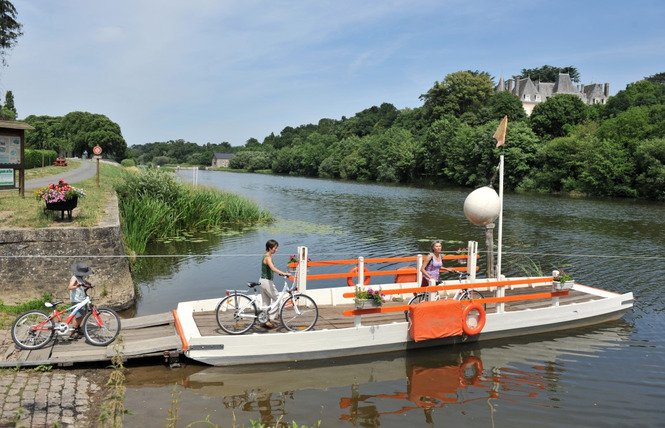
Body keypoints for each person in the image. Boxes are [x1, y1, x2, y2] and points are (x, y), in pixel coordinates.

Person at [260, 240, 289, 329]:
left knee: (266, 303)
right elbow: (272, 268)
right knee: (277, 299)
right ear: (270, 248)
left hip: (262, 280)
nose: (276, 250)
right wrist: (283, 273)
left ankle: (264, 320)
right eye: (275, 248)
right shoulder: (268, 257)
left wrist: (280, 273)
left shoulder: (265, 255)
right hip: (267, 282)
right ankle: (270, 319)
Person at [68, 261, 92, 339]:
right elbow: (70, 287)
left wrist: (89, 284)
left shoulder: (81, 277)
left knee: (84, 313)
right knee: (79, 315)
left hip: (82, 299)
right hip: (76, 300)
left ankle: (78, 328)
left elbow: (84, 282)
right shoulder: (74, 278)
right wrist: (77, 286)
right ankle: (74, 331)